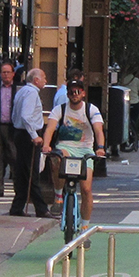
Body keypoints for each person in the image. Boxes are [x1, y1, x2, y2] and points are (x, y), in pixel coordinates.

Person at [41, 80, 106, 224]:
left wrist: (100, 147)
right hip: (66, 147)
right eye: (71, 91)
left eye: (78, 91)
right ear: (68, 94)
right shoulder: (60, 109)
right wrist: (46, 145)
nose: (74, 94)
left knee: (86, 189)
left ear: (83, 93)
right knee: (58, 157)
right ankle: (58, 196)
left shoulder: (91, 110)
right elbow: (50, 129)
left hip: (85, 150)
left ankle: (85, 226)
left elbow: (98, 130)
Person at [9, 68, 53, 217]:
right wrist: (34, 135)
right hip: (28, 135)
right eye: (44, 78)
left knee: (22, 172)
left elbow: (15, 114)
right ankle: (41, 208)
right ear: (36, 80)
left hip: (19, 133)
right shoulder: (32, 93)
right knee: (32, 172)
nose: (46, 81)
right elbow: (26, 116)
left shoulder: (21, 91)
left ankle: (17, 206)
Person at [0, 60, 17, 191]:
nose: (5, 75)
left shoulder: (18, 88)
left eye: (8, 72)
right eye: (3, 72)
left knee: (14, 157)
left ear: (13, 74)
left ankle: (18, 188)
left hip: (12, 128)